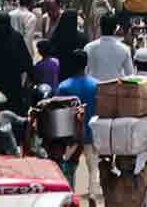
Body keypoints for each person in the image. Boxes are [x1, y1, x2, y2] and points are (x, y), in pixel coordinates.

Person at [54, 49, 103, 204]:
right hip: (92, 134)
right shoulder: (96, 85)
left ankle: (69, 197)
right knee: (93, 167)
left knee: (67, 167)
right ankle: (93, 195)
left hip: (71, 135)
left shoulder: (64, 87)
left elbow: (57, 112)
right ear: (86, 64)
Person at [84, 13, 136, 82]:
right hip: (116, 90)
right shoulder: (124, 49)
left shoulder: (88, 47)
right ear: (115, 29)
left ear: (100, 27)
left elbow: (84, 73)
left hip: (95, 89)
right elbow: (130, 76)